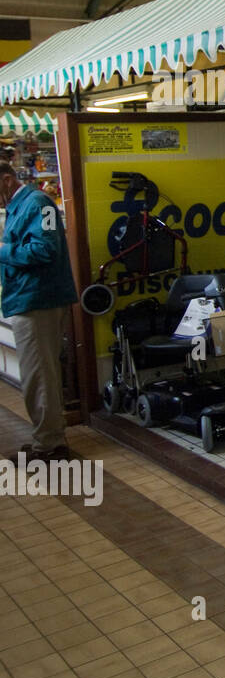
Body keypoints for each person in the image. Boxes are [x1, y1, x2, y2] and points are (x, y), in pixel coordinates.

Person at [0, 163, 77, 459]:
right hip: (30, 299)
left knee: (39, 375)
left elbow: (45, 250)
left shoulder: (38, 203)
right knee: (43, 373)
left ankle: (48, 445)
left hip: (38, 300)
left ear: (7, 179)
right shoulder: (20, 206)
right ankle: (50, 438)